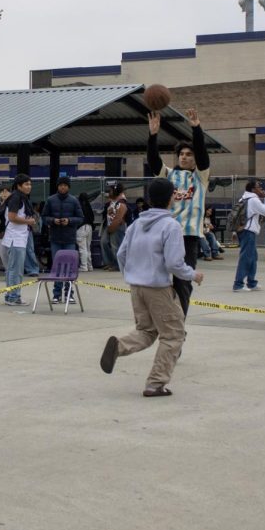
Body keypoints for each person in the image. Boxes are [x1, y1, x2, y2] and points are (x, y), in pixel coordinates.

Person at [99, 177, 203, 398]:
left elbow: (121, 253)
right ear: (172, 198)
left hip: (136, 286)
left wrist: (131, 273)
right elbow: (174, 263)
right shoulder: (171, 225)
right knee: (174, 335)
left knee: (146, 331)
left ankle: (118, 346)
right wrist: (193, 275)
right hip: (158, 288)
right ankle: (156, 383)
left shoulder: (137, 223)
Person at [147, 109, 211, 312]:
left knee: (183, 282)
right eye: (181, 154)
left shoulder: (201, 177)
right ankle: (163, 316)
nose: (184, 157)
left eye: (188, 155)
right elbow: (153, 160)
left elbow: (203, 155)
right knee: (160, 280)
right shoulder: (169, 174)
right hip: (166, 234)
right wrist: (153, 135)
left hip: (188, 236)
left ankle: (179, 321)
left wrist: (196, 128)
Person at [42, 177, 84, 303]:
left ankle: (69, 293)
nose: (63, 187)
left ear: (69, 187)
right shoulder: (50, 200)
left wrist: (69, 221)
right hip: (55, 238)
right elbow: (44, 216)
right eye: (61, 185)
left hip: (69, 238)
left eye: (65, 185)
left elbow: (81, 218)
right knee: (57, 266)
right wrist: (52, 221)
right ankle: (56, 294)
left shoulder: (74, 200)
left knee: (70, 266)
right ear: (57, 186)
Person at [2, 175, 35, 306]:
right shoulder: (16, 198)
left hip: (17, 237)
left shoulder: (19, 197)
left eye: (30, 184)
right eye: (26, 184)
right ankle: (13, 297)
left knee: (12, 269)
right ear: (19, 185)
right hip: (15, 239)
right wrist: (29, 221)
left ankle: (10, 295)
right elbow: (12, 217)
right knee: (16, 269)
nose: (29, 187)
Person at [232, 180, 265, 292]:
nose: (261, 189)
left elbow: (237, 217)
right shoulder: (253, 200)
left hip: (243, 231)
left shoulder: (243, 198)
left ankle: (251, 283)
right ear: (253, 189)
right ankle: (238, 284)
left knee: (252, 257)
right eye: (259, 187)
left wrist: (234, 231)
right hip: (248, 231)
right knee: (246, 257)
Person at [101, 184, 129, 271]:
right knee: (104, 242)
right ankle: (109, 262)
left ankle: (117, 265)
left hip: (117, 225)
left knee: (115, 245)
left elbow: (119, 216)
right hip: (109, 224)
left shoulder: (121, 202)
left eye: (111, 191)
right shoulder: (113, 200)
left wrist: (113, 226)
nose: (109, 192)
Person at [76, 192, 95, 273]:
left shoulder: (78, 206)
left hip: (81, 227)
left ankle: (84, 266)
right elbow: (92, 218)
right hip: (89, 227)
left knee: (82, 248)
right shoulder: (88, 206)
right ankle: (89, 266)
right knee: (88, 247)